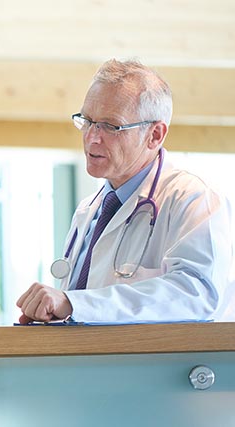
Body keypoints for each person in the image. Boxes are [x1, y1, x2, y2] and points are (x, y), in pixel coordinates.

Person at [16, 59, 234, 324]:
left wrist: (74, 303)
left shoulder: (194, 198)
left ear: (154, 135)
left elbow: (197, 294)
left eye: (110, 126)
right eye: (87, 121)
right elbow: (82, 311)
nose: (92, 137)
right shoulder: (89, 210)